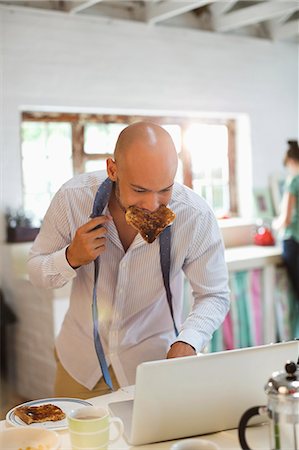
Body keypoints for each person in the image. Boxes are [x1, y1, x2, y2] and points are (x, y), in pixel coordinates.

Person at [27, 121, 230, 399]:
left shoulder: (195, 215)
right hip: (80, 366)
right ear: (113, 169)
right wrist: (71, 257)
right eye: (139, 190)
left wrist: (189, 340)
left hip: (154, 366)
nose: (152, 204)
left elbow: (214, 294)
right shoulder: (71, 199)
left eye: (165, 189)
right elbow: (36, 272)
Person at [273, 140, 299, 302]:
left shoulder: (293, 181)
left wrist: (274, 224)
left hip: (293, 241)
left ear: (290, 161)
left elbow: (286, 219)